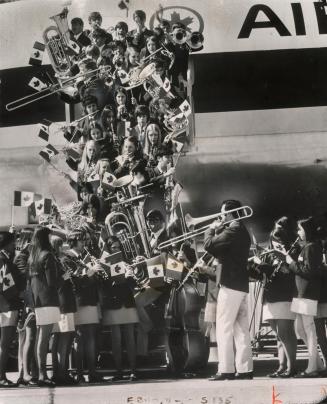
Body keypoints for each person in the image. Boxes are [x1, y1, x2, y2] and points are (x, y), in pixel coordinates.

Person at [204, 199, 253, 381]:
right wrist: (219, 230)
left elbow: (209, 245)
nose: (221, 216)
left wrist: (210, 229)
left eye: (224, 213)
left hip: (229, 284)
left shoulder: (233, 230)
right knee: (241, 329)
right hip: (240, 284)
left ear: (232, 214)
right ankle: (245, 369)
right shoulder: (242, 231)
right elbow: (220, 251)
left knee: (224, 327)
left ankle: (225, 369)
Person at [252, 217, 299, 378]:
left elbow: (286, 271)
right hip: (270, 294)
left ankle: (292, 367)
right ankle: (281, 366)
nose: (276, 233)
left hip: (285, 293)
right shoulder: (269, 250)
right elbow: (263, 272)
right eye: (276, 228)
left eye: (280, 229)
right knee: (278, 333)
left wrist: (266, 264)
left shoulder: (291, 249)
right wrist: (256, 266)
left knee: (285, 332)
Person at [286, 217, 325, 377]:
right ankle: (317, 364)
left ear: (307, 231)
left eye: (300, 229)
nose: (298, 232)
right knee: (300, 329)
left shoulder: (311, 248)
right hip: (302, 294)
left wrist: (291, 262)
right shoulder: (307, 248)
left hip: (307, 293)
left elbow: (308, 271)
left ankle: (312, 367)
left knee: (308, 330)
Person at [63, 230, 102, 383]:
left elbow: (93, 279)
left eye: (84, 240)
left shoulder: (84, 257)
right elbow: (74, 282)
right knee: (80, 337)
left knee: (91, 335)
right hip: (79, 301)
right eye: (81, 240)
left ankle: (92, 372)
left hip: (91, 299)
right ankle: (79, 373)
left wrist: (96, 269)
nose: (84, 243)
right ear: (73, 242)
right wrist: (89, 273)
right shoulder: (67, 258)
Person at [98, 236, 139, 380]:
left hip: (126, 302)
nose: (116, 250)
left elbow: (133, 284)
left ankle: (133, 370)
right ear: (108, 249)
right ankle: (119, 371)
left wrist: (130, 274)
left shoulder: (126, 262)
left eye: (118, 247)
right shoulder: (103, 263)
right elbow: (102, 285)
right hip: (113, 302)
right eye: (113, 248)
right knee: (116, 339)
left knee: (130, 337)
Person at [28, 227, 61, 386]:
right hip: (49, 300)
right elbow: (52, 281)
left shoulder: (33, 257)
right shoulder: (48, 255)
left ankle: (39, 373)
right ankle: (42, 375)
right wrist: (65, 277)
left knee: (40, 337)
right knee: (44, 338)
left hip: (38, 300)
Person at [50, 235, 77, 386]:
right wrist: (67, 277)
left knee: (57, 339)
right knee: (65, 339)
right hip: (64, 303)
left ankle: (58, 372)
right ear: (58, 247)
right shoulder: (57, 262)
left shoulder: (53, 261)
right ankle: (62, 373)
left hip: (58, 304)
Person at [14, 228, 38, 386]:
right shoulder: (21, 258)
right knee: (26, 339)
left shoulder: (28, 257)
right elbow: (25, 277)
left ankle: (30, 373)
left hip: (32, 302)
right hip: (25, 303)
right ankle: (23, 374)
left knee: (32, 338)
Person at [0, 231, 24, 387]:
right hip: (7, 305)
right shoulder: (3, 260)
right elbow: (7, 286)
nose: (14, 245)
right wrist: (21, 295)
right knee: (5, 343)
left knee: (4, 343)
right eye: (12, 242)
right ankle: (1, 376)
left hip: (4, 305)